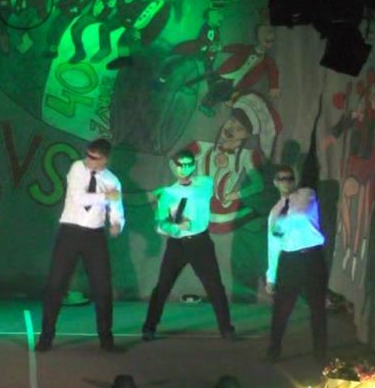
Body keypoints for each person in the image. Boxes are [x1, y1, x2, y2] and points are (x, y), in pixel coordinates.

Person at [36, 138, 125, 352]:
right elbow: (79, 198)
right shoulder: (77, 167)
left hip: (94, 235)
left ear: (105, 159)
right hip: (70, 232)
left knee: (102, 288)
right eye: (88, 156)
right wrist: (106, 195)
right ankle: (46, 336)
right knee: (56, 284)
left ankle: (106, 339)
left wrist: (116, 223)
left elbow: (116, 208)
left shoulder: (112, 180)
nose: (89, 161)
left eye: (95, 158)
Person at [142, 149, 235, 341]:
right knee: (163, 285)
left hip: (200, 242)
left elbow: (193, 191)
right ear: (173, 166)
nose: (184, 169)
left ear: (194, 165)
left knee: (215, 286)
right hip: (177, 244)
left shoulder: (205, 183)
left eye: (188, 164)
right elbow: (161, 224)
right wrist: (176, 227)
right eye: (180, 165)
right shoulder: (168, 193)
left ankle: (226, 328)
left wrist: (162, 193)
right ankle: (149, 327)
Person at [265, 165, 327, 362]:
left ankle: (321, 354)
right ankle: (274, 350)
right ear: (275, 182)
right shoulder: (275, 211)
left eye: (290, 178)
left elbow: (300, 216)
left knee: (317, 307)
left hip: (312, 257)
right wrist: (271, 276)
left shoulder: (306, 195)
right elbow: (273, 245)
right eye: (282, 179)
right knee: (281, 309)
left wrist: (280, 226)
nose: (287, 182)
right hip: (290, 259)